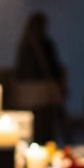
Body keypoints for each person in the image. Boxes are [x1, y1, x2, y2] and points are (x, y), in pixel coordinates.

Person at [14, 12, 67, 142]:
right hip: (40, 94)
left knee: (40, 129)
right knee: (43, 128)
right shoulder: (38, 45)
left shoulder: (27, 45)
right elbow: (53, 68)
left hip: (36, 95)